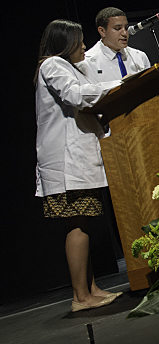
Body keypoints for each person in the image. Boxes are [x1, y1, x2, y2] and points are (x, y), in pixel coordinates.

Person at [35, 20, 123, 312]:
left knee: (83, 221)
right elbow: (76, 96)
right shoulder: (52, 66)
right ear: (64, 43)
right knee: (77, 223)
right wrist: (120, 84)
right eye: (79, 41)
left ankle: (92, 289)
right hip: (66, 162)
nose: (84, 46)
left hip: (80, 160)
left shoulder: (71, 68)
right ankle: (79, 297)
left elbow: (89, 95)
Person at [83, 7, 151, 83]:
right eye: (117, 28)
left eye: (126, 28)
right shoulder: (87, 61)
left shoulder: (140, 56)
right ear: (102, 31)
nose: (125, 33)